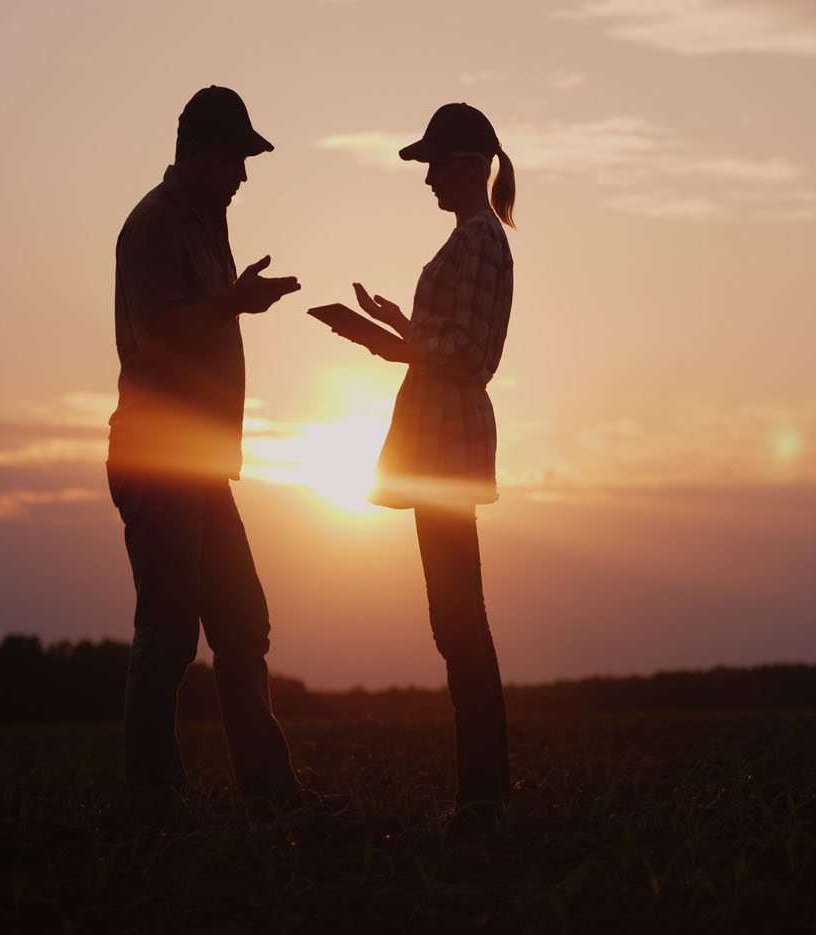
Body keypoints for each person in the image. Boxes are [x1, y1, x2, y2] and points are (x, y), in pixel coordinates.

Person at [313, 102, 516, 841]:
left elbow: (465, 353)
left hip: (445, 448)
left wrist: (382, 340)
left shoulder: (477, 243)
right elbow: (452, 339)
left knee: (459, 622)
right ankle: (484, 794)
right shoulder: (475, 240)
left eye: (434, 163)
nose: (426, 177)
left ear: (468, 164)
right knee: (459, 620)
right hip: (443, 445)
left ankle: (483, 800)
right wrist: (399, 325)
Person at [107, 86, 304, 826]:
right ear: (199, 154)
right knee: (168, 632)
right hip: (159, 458)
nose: (244, 176)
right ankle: (153, 806)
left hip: (200, 464)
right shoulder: (155, 226)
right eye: (236, 158)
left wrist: (233, 298)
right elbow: (153, 339)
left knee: (243, 622)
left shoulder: (206, 221)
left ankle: (270, 791)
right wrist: (234, 301)